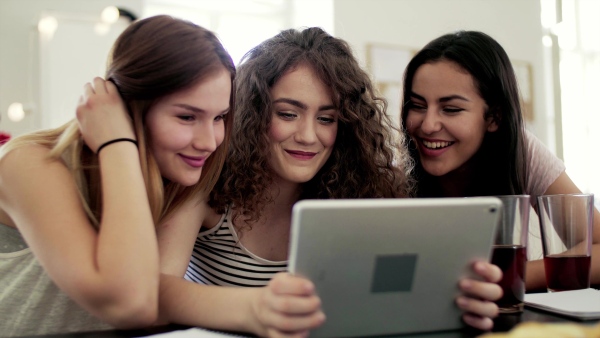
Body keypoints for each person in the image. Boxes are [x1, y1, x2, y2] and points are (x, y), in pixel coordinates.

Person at [157, 27, 503, 337]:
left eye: (326, 118)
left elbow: (386, 305)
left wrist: (455, 302)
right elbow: (156, 289)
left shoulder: (368, 195)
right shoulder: (205, 185)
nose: (309, 136)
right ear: (253, 113)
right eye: (288, 114)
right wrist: (256, 308)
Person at [0, 15, 235, 337]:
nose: (208, 142)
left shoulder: (179, 176)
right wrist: (118, 143)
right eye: (186, 116)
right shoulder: (27, 162)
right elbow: (130, 305)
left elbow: (155, 308)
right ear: (126, 108)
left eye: (219, 117)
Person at [399, 30, 600, 291]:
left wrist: (510, 277)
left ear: (494, 117)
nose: (428, 125)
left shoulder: (521, 152)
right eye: (417, 105)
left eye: (451, 109)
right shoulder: (395, 169)